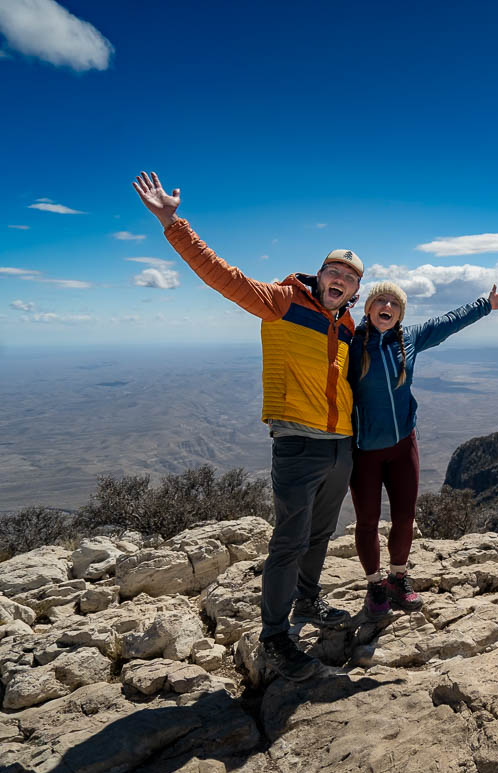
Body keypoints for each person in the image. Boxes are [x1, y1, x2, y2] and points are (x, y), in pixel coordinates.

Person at [133, 171, 359, 681]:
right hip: (298, 445)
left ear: (354, 291)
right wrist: (173, 223)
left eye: (349, 278)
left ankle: (307, 605)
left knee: (320, 535)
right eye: (333, 272)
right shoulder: (281, 302)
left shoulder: (345, 326)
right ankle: (276, 636)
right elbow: (222, 275)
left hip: (341, 447)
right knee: (288, 542)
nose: (339, 281)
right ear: (318, 275)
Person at [349, 280, 498, 619]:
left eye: (395, 303)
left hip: (402, 445)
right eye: (381, 300)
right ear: (368, 308)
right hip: (364, 450)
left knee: (405, 518)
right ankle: (374, 586)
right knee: (367, 521)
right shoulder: (350, 345)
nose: (388, 307)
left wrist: (486, 304)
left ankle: (398, 578)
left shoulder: (409, 338)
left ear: (401, 313)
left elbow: (447, 323)